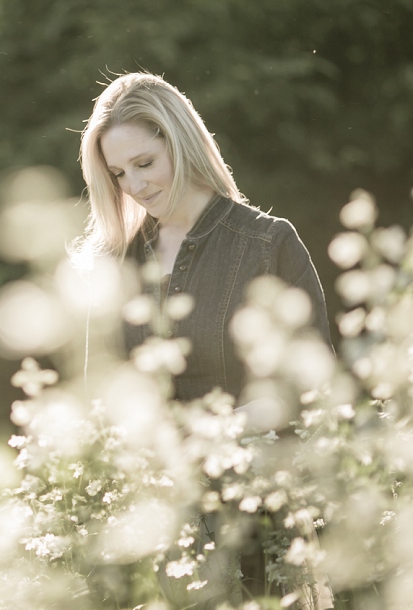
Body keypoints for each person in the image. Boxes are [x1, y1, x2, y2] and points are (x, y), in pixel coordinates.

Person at [75, 73, 333, 607]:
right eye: (119, 174)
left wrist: (215, 440)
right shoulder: (113, 264)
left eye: (145, 163)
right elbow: (98, 403)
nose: (136, 186)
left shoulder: (268, 244)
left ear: (182, 140)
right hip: (152, 539)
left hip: (260, 531)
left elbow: (310, 390)